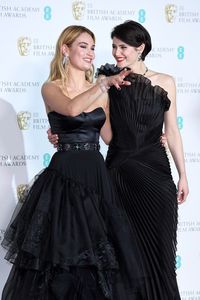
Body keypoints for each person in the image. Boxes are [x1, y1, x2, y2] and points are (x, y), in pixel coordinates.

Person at [1, 25, 144, 300]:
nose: (90, 52)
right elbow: (70, 109)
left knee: (97, 260)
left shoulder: (101, 91)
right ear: (65, 50)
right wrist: (102, 84)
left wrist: (149, 132)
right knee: (61, 260)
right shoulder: (51, 88)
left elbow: (111, 137)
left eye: (92, 47)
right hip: (64, 177)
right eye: (83, 46)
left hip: (96, 176)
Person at [48, 21, 189, 299]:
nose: (116, 53)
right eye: (113, 46)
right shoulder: (106, 80)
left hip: (155, 175)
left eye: (122, 47)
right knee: (121, 256)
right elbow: (103, 130)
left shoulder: (166, 82)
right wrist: (61, 131)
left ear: (141, 49)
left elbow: (172, 130)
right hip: (117, 176)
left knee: (160, 251)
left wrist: (183, 173)